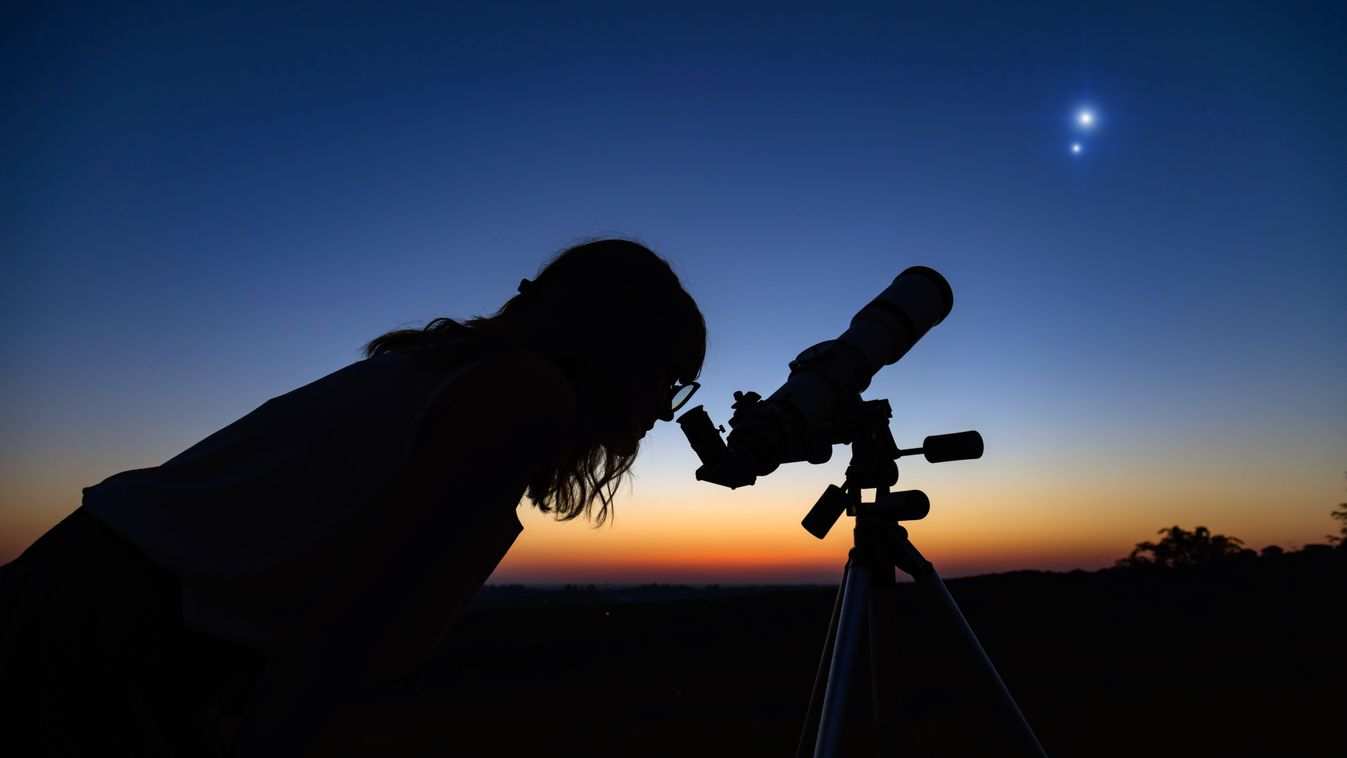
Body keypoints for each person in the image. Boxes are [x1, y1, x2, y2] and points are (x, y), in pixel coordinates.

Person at [0, 239, 707, 755]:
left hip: (92, 585)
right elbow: (357, 629)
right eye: (668, 378)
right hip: (113, 624)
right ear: (618, 347)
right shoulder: (520, 399)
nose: (663, 410)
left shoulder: (450, 372)